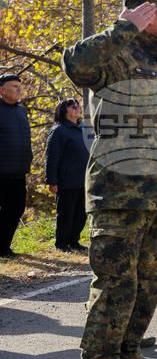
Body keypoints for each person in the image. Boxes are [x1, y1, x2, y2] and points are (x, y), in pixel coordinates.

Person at [62, 0, 157, 359]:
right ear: (148, 15)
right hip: (118, 192)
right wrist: (122, 26)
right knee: (117, 287)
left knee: (146, 289)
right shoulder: (114, 52)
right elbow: (77, 64)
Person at [44, 98, 91, 253]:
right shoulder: (58, 131)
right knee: (66, 214)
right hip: (66, 181)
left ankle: (74, 241)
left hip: (84, 180)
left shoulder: (84, 129)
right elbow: (52, 158)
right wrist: (52, 181)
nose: (77, 108)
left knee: (81, 214)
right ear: (64, 110)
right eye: (73, 106)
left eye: (78, 106)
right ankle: (62, 244)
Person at [1, 74, 32, 259]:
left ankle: (3, 248)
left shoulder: (21, 111)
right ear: (1, 90)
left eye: (19, 86)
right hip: (1, 172)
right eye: (14, 86)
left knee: (15, 210)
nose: (19, 89)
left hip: (19, 172)